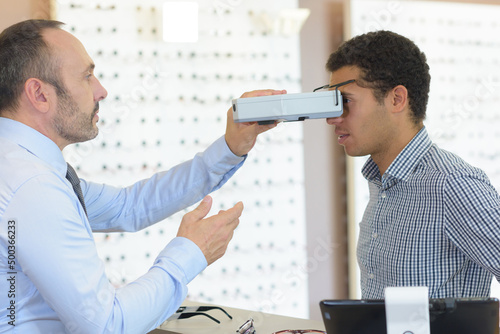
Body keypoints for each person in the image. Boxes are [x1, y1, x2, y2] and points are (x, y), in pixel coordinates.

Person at [0, 19, 284, 333]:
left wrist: (230, 148)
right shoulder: (34, 187)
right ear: (39, 94)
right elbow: (107, 325)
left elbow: (128, 206)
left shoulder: (21, 165)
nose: (101, 91)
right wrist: (191, 253)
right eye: (87, 76)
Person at [323, 30, 500, 299]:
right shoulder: (379, 183)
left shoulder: (453, 185)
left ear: (397, 99)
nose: (332, 119)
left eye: (345, 101)